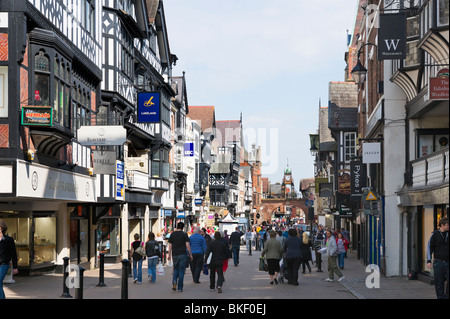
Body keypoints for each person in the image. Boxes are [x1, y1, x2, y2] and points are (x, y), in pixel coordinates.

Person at [427, 217, 449, 299]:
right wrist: (429, 261)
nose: (448, 226)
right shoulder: (435, 234)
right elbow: (429, 247)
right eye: (447, 225)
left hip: (448, 262)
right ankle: (440, 297)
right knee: (439, 282)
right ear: (442, 225)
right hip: (438, 262)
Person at [168, 222, 193, 292]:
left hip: (175, 254)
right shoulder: (184, 234)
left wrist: (169, 255)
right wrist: (190, 254)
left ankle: (174, 281)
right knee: (181, 270)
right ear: (183, 227)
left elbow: (170, 246)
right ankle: (180, 287)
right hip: (183, 254)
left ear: (177, 227)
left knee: (175, 268)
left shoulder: (172, 234)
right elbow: (187, 245)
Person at [0, 220, 18, 299]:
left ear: (1, 228)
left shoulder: (8, 240)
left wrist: (15, 267)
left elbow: (13, 254)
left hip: (3, 265)